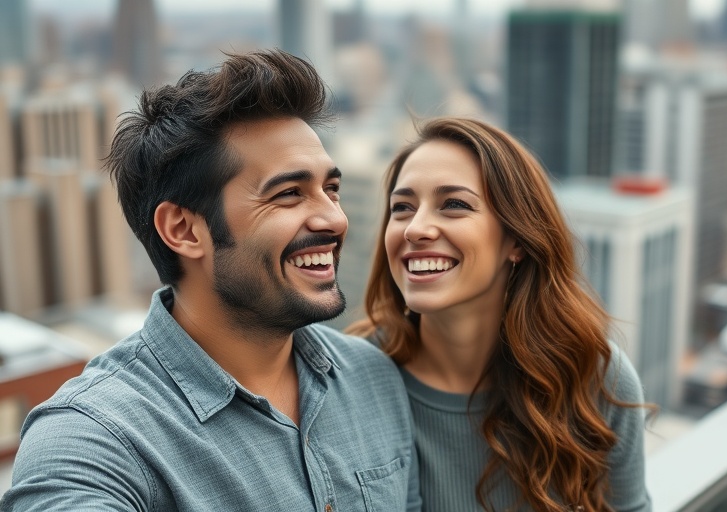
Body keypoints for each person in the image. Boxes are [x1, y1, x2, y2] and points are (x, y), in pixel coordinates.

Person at [2, 49, 421, 512]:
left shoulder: (374, 376)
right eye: (288, 194)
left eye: (332, 189)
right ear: (183, 230)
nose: (334, 218)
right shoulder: (94, 438)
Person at [348, 117, 652, 512]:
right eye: (402, 208)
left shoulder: (595, 379)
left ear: (517, 240)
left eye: (454, 205)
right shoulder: (350, 383)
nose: (415, 228)